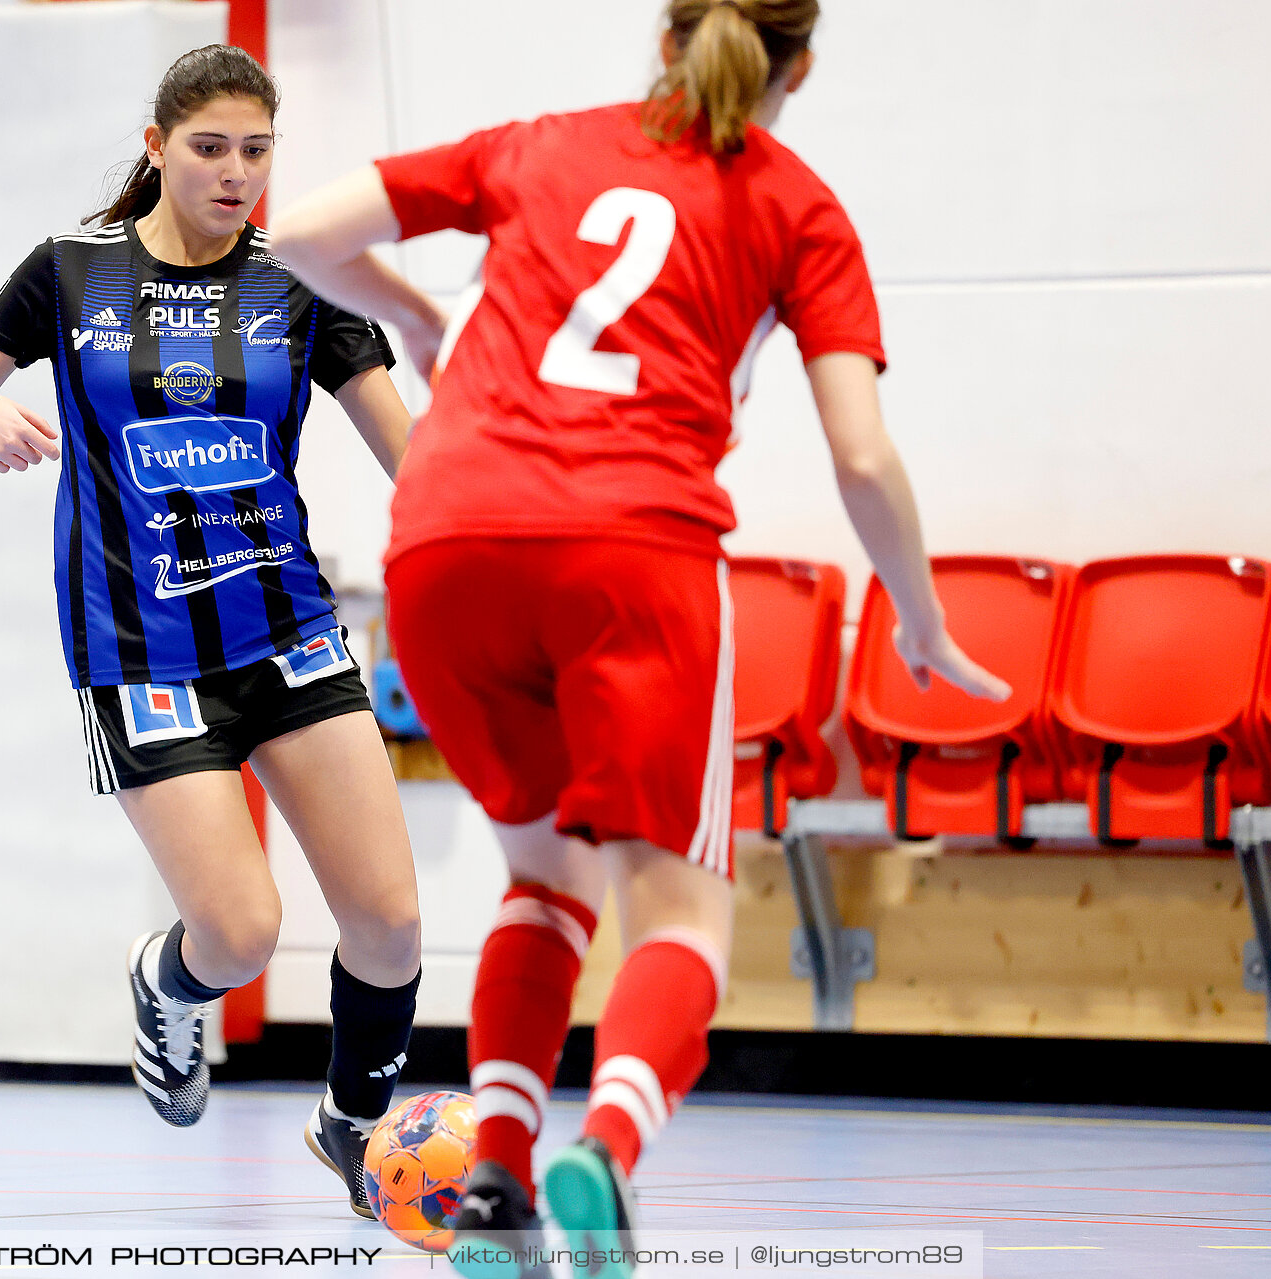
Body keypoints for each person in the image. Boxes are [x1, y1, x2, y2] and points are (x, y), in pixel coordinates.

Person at [270, 1, 1011, 1270]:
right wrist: (925, 619)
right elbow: (861, 452)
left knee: (542, 879)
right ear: (801, 66)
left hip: (445, 540)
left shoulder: (544, 143)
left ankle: (495, 1184)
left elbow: (294, 233)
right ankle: (601, 1148)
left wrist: (424, 320)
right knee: (681, 920)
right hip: (630, 546)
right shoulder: (797, 205)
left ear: (665, 41)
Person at [0, 45, 422, 1221]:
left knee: (388, 923)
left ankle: (349, 1125)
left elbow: (420, 465)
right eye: (210, 148)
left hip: (290, 635)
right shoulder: (70, 273)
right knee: (238, 934)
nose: (236, 173)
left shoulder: (302, 286)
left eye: (257, 149)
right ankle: (166, 979)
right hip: (144, 656)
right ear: (156, 149)